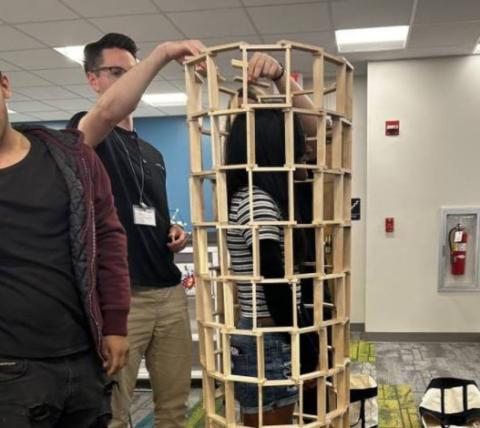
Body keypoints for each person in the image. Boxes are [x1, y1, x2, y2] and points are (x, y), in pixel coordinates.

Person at [67, 33, 205, 428]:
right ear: (92, 79)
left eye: (131, 71)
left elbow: (147, 212)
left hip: (168, 292)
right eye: (115, 72)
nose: (127, 79)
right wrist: (161, 54)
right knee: (114, 411)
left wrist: (174, 230)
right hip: (121, 300)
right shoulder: (85, 134)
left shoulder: (152, 153)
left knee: (175, 407)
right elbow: (108, 113)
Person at [0, 69, 130, 427]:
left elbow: (108, 237)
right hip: (9, 370)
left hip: (85, 354)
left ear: (5, 85)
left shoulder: (73, 158)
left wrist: (116, 322)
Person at [224, 54, 319, 427]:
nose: (299, 154)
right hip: (269, 334)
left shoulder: (249, 196)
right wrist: (304, 344)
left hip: (266, 331)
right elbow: (273, 281)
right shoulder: (258, 201)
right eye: (291, 146)